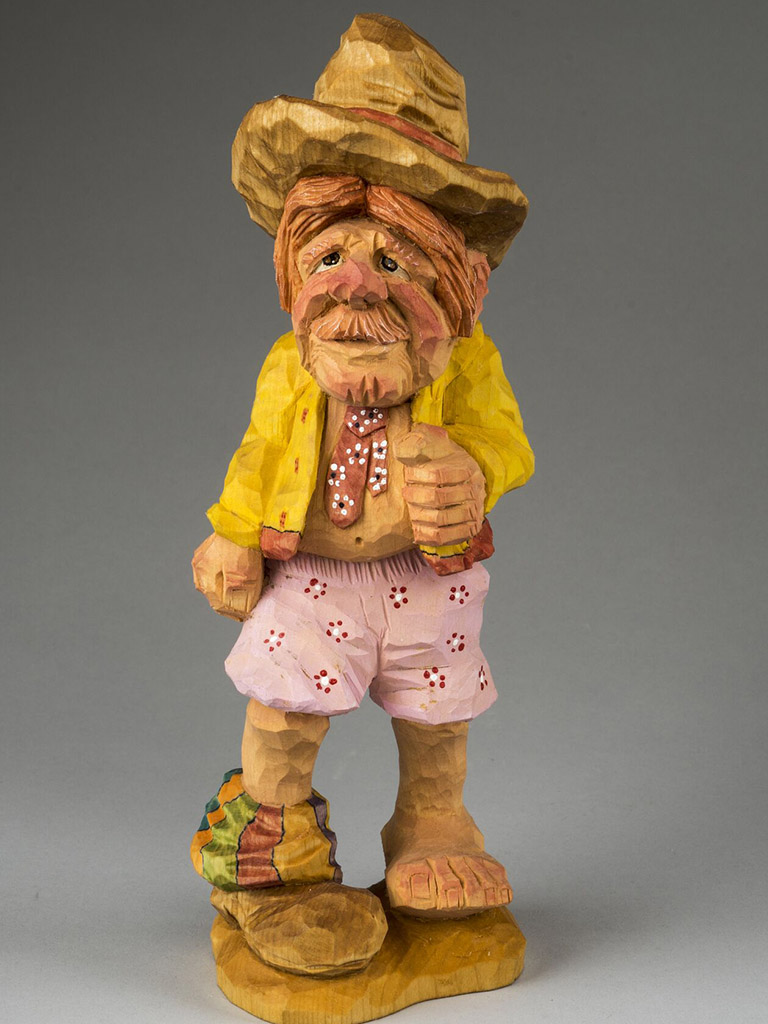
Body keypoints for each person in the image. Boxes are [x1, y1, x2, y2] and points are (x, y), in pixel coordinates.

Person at [190, 14, 534, 976]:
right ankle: (274, 852)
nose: (356, 291)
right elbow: (259, 455)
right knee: (283, 707)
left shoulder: (466, 365)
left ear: (458, 284)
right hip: (313, 575)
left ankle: (432, 825)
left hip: (428, 575)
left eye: (392, 263)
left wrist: (475, 470)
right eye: (328, 260)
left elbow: (508, 442)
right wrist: (232, 534)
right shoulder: (290, 368)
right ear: (293, 270)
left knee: (436, 712)